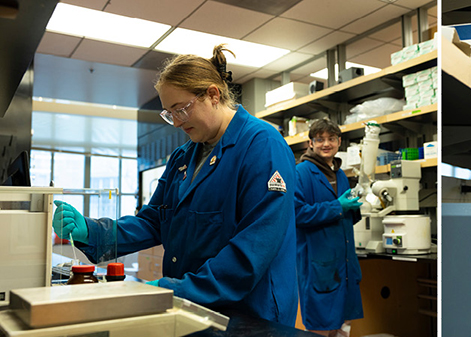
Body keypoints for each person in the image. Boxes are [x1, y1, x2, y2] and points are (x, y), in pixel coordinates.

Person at [51, 44, 299, 326]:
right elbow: (154, 221)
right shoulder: (184, 156)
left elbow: (254, 247)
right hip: (194, 306)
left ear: (213, 95)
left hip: (250, 313)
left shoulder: (262, 145)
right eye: (169, 114)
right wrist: (93, 230)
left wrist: (175, 290)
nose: (176, 123)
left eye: (181, 109)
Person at [294, 118, 364, 337]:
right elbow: (297, 214)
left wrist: (354, 207)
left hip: (343, 264)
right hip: (318, 264)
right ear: (311, 143)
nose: (326, 144)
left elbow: (344, 218)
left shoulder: (340, 174)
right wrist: (338, 206)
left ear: (339, 142)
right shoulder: (301, 173)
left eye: (331, 139)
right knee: (319, 328)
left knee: (343, 327)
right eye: (320, 139)